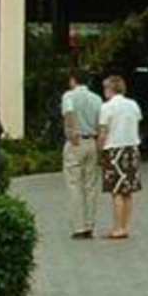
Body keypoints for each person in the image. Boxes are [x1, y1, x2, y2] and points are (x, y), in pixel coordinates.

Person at [96, 74, 144, 239]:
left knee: (116, 191)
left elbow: (103, 131)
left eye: (105, 88)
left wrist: (99, 149)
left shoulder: (106, 107)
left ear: (110, 89)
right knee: (128, 191)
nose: (104, 91)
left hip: (114, 150)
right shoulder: (133, 104)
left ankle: (117, 228)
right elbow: (137, 123)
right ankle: (125, 226)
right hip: (132, 149)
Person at [60, 69, 103, 239]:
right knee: (90, 185)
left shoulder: (69, 96)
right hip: (91, 141)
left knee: (74, 184)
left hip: (76, 142)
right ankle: (90, 225)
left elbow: (69, 114)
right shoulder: (97, 99)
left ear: (73, 80)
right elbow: (101, 122)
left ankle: (78, 226)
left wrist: (71, 133)